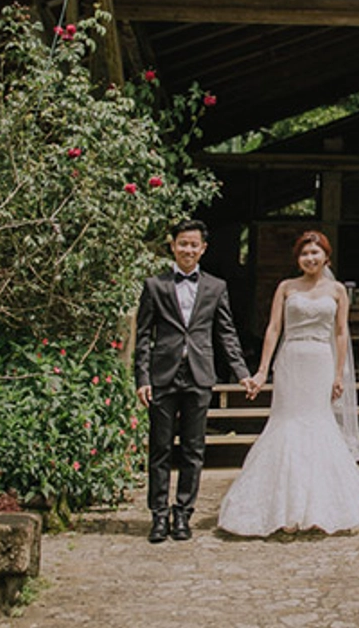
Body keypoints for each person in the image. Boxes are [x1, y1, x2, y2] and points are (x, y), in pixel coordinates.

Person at [217, 229, 359, 537]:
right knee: (287, 422)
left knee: (319, 422)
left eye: (315, 252)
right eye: (304, 253)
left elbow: (341, 332)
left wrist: (339, 374)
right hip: (292, 359)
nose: (310, 258)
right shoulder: (286, 287)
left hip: (320, 360)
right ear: (298, 259)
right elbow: (273, 328)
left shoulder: (337, 291)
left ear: (326, 256)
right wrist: (262, 371)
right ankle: (283, 508)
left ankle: (319, 507)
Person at [135, 219, 254, 543]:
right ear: (173, 246)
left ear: (203, 249)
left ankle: (183, 514)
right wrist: (142, 378)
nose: (188, 249)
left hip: (200, 374)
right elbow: (143, 336)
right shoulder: (154, 285)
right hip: (163, 374)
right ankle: (159, 516)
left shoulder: (216, 287)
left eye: (194, 244)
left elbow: (226, 333)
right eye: (183, 243)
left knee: (193, 448)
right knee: (160, 448)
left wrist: (242, 373)